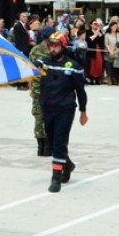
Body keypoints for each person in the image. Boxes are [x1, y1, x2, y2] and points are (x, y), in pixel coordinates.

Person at [36, 31, 88, 193]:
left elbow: (81, 91)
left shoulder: (73, 67)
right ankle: (68, 165)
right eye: (51, 45)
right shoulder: (43, 63)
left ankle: (56, 178)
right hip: (47, 108)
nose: (53, 49)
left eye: (56, 45)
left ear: (63, 47)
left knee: (59, 142)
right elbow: (30, 65)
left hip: (65, 109)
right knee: (51, 143)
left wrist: (83, 111)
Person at [29, 26, 54, 156]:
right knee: (49, 116)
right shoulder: (53, 49)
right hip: (50, 88)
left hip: (37, 87)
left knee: (38, 116)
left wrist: (31, 87)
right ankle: (48, 147)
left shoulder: (34, 50)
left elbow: (30, 70)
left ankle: (40, 147)